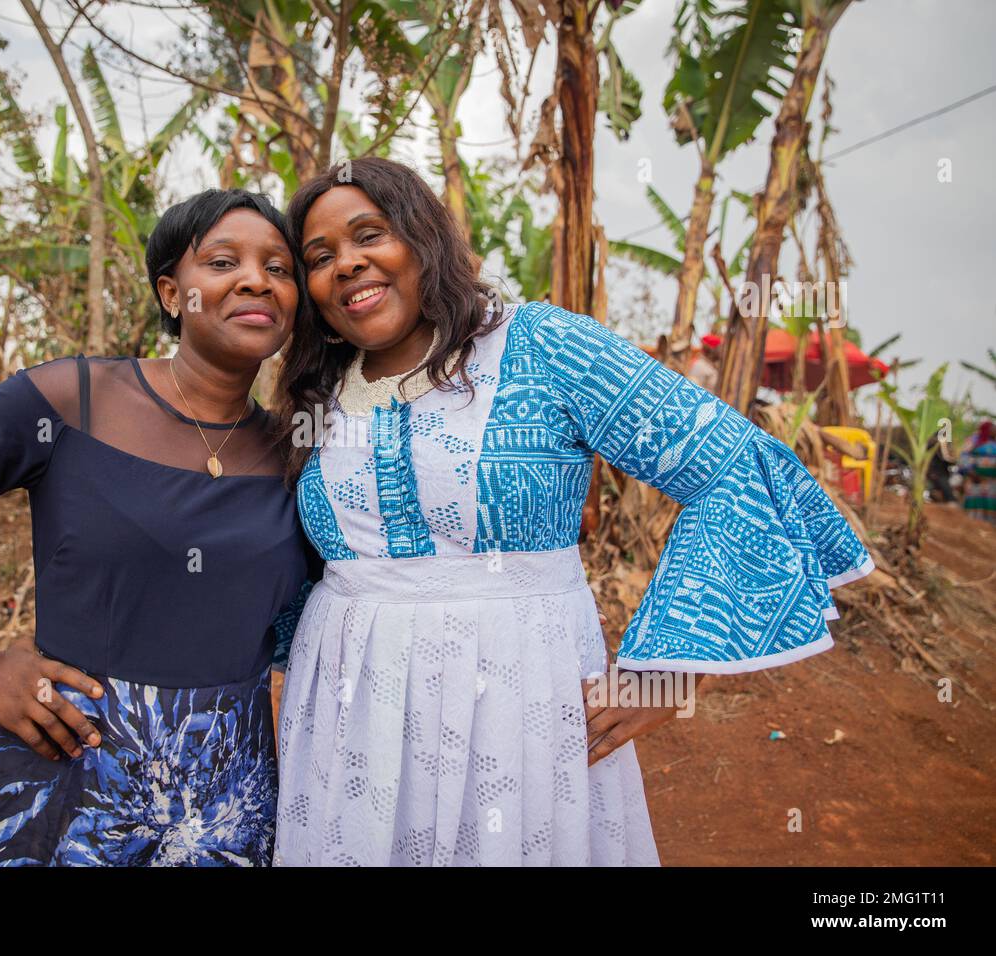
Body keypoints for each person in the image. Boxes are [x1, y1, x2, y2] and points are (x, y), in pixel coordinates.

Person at [271, 157, 874, 866]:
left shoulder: (542, 346)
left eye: (369, 235)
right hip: (350, 707)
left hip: (521, 693)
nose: (346, 264)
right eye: (319, 256)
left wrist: (672, 670)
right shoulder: (317, 391)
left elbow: (734, 466)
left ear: (422, 237)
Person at [0, 189, 317, 866]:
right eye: (223, 261)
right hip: (72, 772)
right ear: (169, 293)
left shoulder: (294, 451)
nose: (256, 280)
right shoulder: (74, 400)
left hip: (228, 804)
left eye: (279, 269)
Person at [959, 420, 996, 523]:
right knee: (975, 508)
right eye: (993, 429)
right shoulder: (973, 441)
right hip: (975, 481)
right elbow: (963, 459)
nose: (995, 431)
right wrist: (971, 473)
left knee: (990, 507)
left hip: (992, 483)